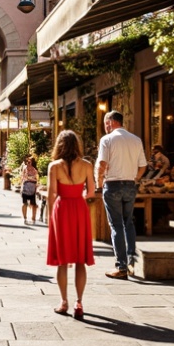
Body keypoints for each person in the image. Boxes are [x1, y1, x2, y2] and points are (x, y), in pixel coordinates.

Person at [46, 130, 96, 318]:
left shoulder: (54, 166)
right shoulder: (87, 165)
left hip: (62, 210)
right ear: (77, 145)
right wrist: (80, 195)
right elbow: (91, 191)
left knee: (63, 260)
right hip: (80, 210)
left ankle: (63, 301)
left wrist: (51, 218)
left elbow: (52, 194)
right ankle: (79, 303)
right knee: (80, 259)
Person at [96, 110, 147, 279]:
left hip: (113, 185)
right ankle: (132, 262)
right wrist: (135, 179)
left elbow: (102, 164)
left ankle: (121, 267)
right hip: (130, 185)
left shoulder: (107, 140)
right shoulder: (136, 139)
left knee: (116, 225)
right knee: (128, 223)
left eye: (105, 124)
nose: (105, 127)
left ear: (110, 122)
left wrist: (98, 183)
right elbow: (143, 166)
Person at [19, 155, 40, 224]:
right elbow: (22, 177)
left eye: (29, 162)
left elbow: (36, 179)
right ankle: (25, 218)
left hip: (31, 188)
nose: (28, 163)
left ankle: (32, 219)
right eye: (27, 162)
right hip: (27, 187)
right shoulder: (26, 168)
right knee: (25, 203)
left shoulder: (34, 170)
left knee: (33, 204)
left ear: (32, 163)